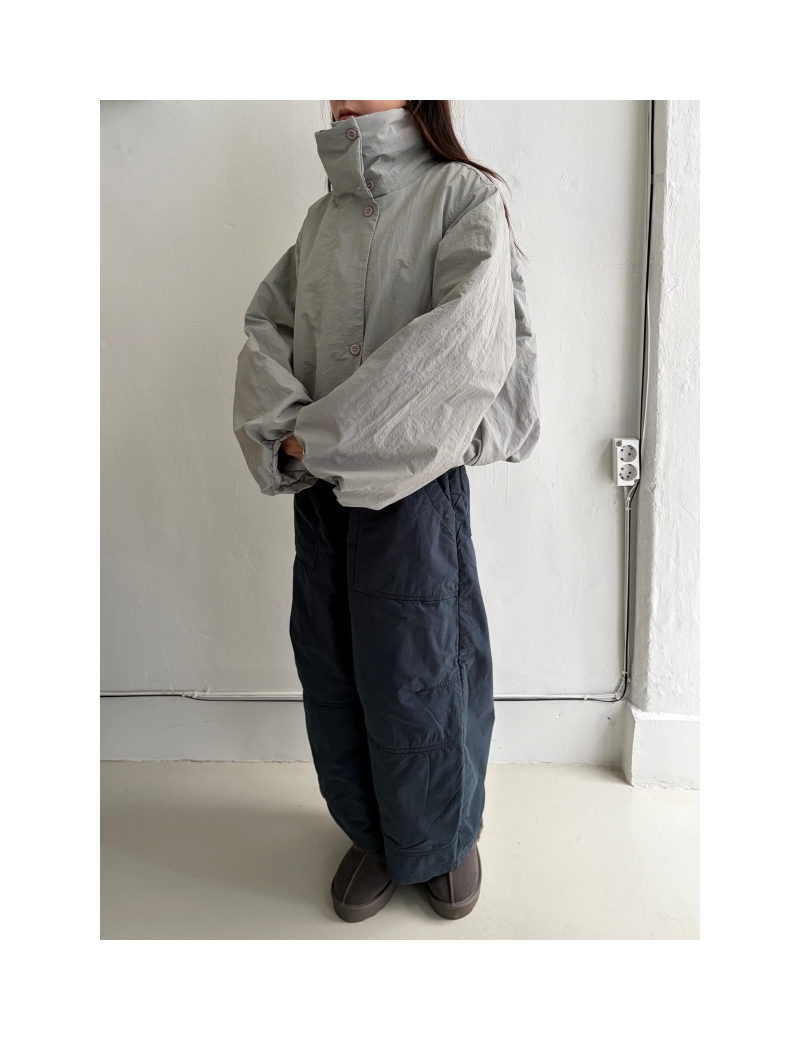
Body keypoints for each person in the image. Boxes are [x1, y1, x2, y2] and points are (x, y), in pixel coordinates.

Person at [233, 100, 540, 922]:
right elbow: (267, 331)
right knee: (333, 665)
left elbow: (458, 354)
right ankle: (371, 833)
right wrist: (286, 439)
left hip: (414, 494)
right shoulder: (321, 220)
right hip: (321, 497)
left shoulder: (463, 197)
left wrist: (313, 440)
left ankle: (442, 838)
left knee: (423, 669)